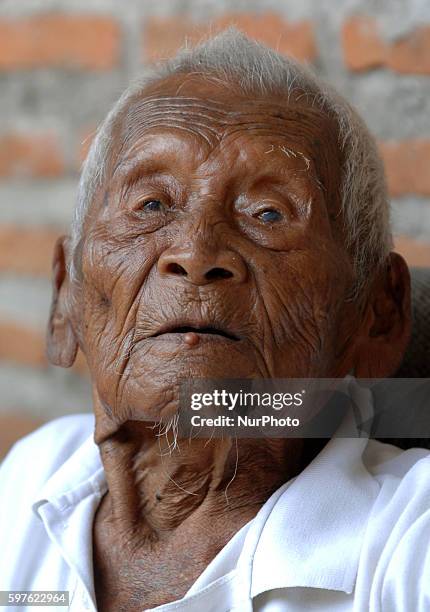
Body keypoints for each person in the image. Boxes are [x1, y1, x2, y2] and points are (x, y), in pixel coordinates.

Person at [0, 29, 429, 612]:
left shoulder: (409, 541)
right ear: (64, 296)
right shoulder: (32, 480)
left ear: (378, 315)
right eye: (151, 205)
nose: (197, 254)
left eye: (269, 214)